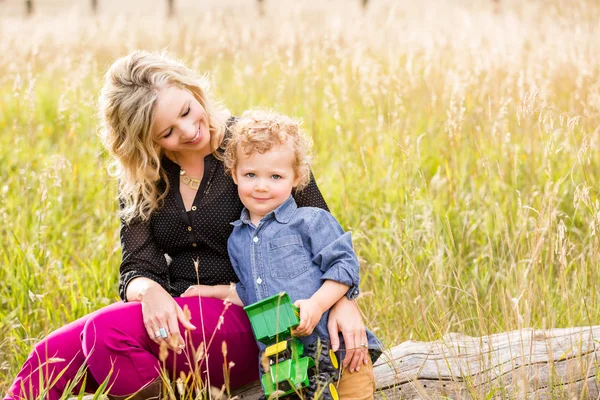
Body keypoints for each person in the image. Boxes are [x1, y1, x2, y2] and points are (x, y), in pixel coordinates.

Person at [3, 51, 373, 400]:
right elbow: (137, 266)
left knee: (104, 334)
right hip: (181, 314)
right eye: (167, 132)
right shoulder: (145, 174)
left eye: (186, 110)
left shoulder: (253, 144)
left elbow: (322, 231)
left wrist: (343, 302)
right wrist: (151, 294)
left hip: (257, 314)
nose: (188, 130)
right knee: (49, 353)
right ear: (145, 140)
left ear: (193, 90)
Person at [186, 109, 381, 399]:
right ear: (234, 175)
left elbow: (344, 267)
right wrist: (211, 291)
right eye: (251, 174)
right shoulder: (237, 239)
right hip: (285, 364)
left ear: (296, 177)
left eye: (276, 176)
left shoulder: (310, 221)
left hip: (338, 350)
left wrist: (316, 304)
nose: (262, 186)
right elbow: (250, 292)